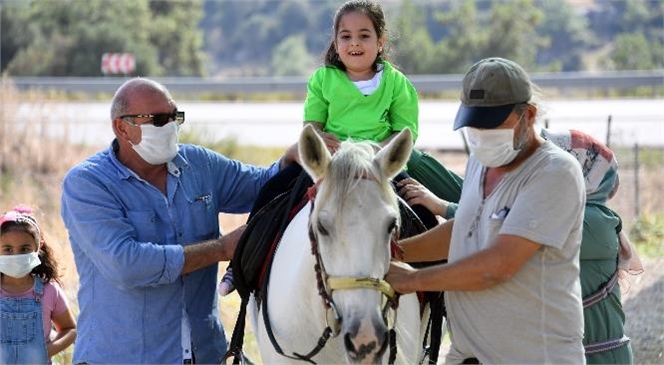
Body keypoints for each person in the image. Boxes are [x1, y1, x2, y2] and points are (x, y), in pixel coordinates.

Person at [219, 0, 461, 295]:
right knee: (273, 191)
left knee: (420, 216)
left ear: (380, 41)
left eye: (364, 35)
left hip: (378, 168)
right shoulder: (322, 80)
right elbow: (313, 128)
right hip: (331, 165)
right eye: (346, 36)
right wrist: (319, 140)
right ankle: (241, 264)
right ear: (336, 41)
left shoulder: (398, 84)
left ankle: (438, 300)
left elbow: (404, 134)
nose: (354, 43)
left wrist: (374, 152)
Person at [60, 77, 298, 364]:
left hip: (204, 354)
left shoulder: (198, 164)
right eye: (158, 120)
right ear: (122, 127)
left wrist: (290, 161)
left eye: (175, 117)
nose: (170, 127)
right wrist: (222, 249)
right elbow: (126, 265)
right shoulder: (88, 183)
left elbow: (262, 186)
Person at [385, 57, 587, 364]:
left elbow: (499, 265)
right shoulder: (482, 161)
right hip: (468, 355)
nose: (481, 134)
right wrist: (394, 253)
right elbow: (465, 228)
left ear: (528, 115)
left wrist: (412, 280)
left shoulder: (554, 173)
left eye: (492, 124)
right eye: (474, 124)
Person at [400, 128, 645, 363]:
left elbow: (495, 225)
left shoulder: (596, 224)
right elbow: (477, 197)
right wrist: (409, 157)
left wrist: (444, 208)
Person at [0, 205, 76, 364]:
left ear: (38, 247)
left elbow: (70, 330)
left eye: (24, 249)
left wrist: (46, 351)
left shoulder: (49, 290)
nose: (16, 255)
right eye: (7, 249)